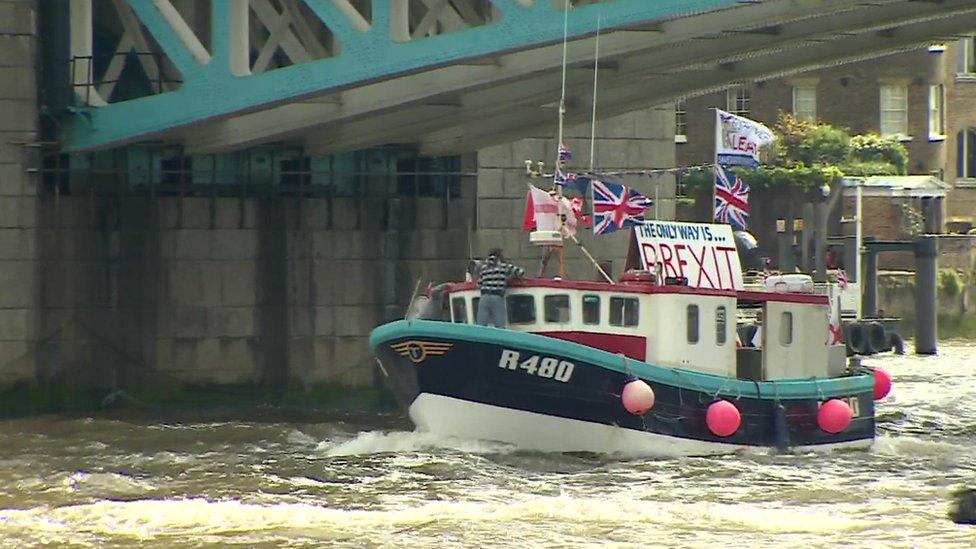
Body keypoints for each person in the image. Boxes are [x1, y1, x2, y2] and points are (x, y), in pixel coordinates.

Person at [475, 248, 524, 328]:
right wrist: (509, 278)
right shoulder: (505, 267)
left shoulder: (484, 268)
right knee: (500, 325)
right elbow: (520, 272)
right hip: (496, 297)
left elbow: (479, 284)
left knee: (481, 325)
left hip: (484, 297)